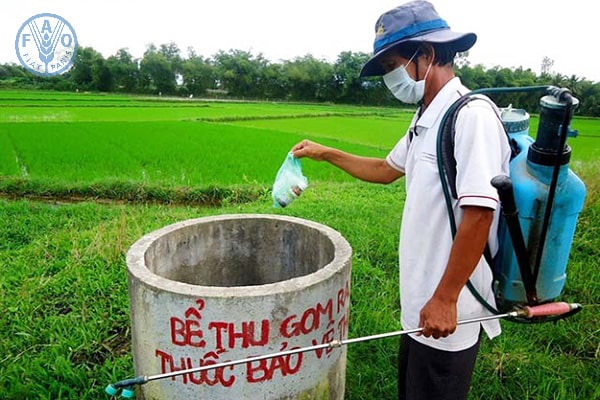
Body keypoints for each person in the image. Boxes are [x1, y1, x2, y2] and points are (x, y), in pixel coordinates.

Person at [292, 1, 511, 399]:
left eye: (393, 64)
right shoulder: (426, 117)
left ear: (425, 55)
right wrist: (325, 153)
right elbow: (385, 169)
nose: (390, 77)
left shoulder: (471, 116)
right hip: (421, 306)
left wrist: (445, 299)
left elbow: (479, 214)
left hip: (450, 312)